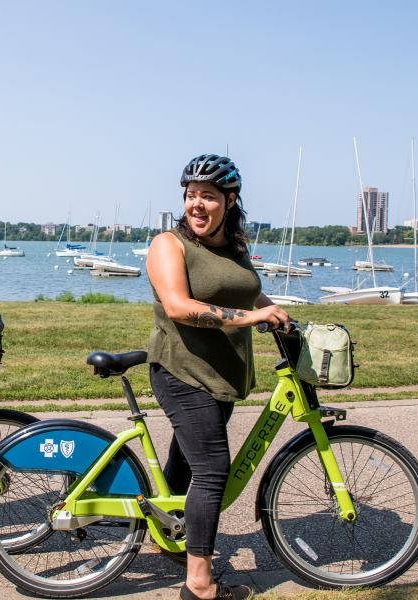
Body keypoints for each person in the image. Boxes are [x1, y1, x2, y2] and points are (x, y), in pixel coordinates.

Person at [146, 154, 291, 600]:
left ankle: (167, 536)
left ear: (230, 201)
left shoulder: (236, 246)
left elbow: (245, 289)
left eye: (208, 196)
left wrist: (276, 313)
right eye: (191, 196)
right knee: (212, 472)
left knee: (186, 464)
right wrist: (251, 318)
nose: (197, 205)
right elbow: (178, 306)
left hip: (221, 376)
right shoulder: (169, 244)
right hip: (182, 371)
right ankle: (200, 585)